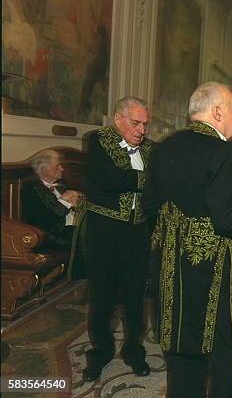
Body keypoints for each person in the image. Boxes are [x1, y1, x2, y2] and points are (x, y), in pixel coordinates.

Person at [143, 82, 232, 398]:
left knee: (179, 334)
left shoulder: (165, 145)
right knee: (226, 342)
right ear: (217, 112)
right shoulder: (222, 151)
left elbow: (151, 205)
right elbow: (229, 219)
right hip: (219, 265)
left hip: (171, 260)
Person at [82, 96, 153, 382]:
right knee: (102, 297)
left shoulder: (150, 148)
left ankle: (134, 352)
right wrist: (146, 178)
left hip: (137, 232)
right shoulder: (97, 140)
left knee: (136, 297)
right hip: (104, 232)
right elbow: (108, 179)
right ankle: (99, 354)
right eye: (136, 123)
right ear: (118, 119)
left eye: (145, 124)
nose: (142, 130)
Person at [21, 149, 82, 249]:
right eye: (57, 166)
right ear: (44, 170)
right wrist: (64, 202)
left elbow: (73, 206)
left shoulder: (61, 184)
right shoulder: (31, 190)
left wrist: (77, 203)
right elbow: (45, 222)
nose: (62, 169)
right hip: (52, 237)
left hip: (73, 228)